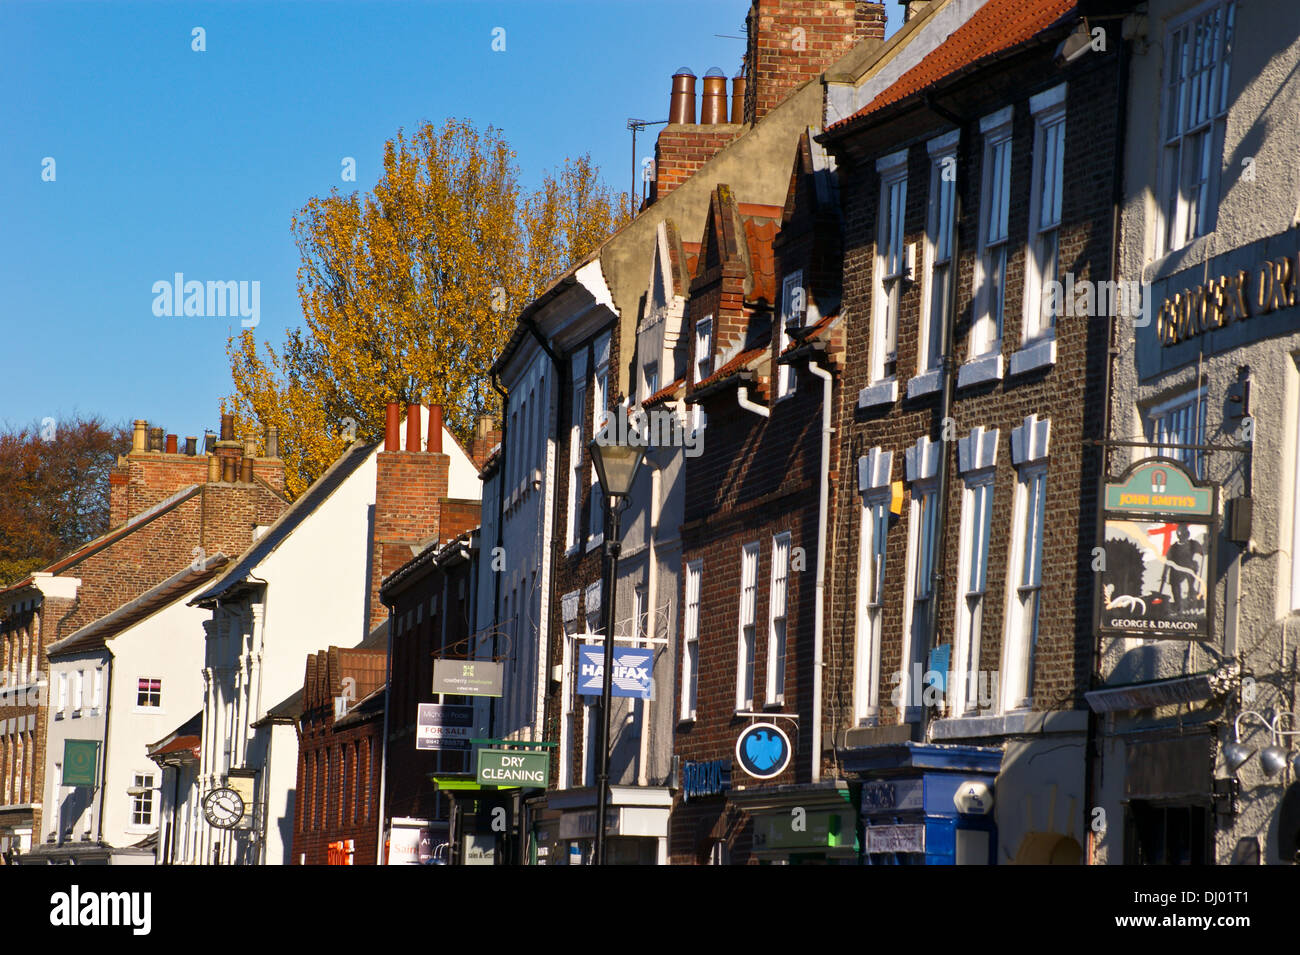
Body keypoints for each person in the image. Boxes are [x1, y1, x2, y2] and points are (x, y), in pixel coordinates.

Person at [1165, 524, 1204, 611]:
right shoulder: (1173, 547)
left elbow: (1203, 552)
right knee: (1175, 587)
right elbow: (1168, 561)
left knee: (1190, 587)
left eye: (1184, 533)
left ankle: (1192, 603)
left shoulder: (1193, 544)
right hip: (1176, 572)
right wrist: (1164, 574)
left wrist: (1207, 543)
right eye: (1180, 533)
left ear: (1187, 534)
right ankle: (1178, 606)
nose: (1182, 535)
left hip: (1189, 571)